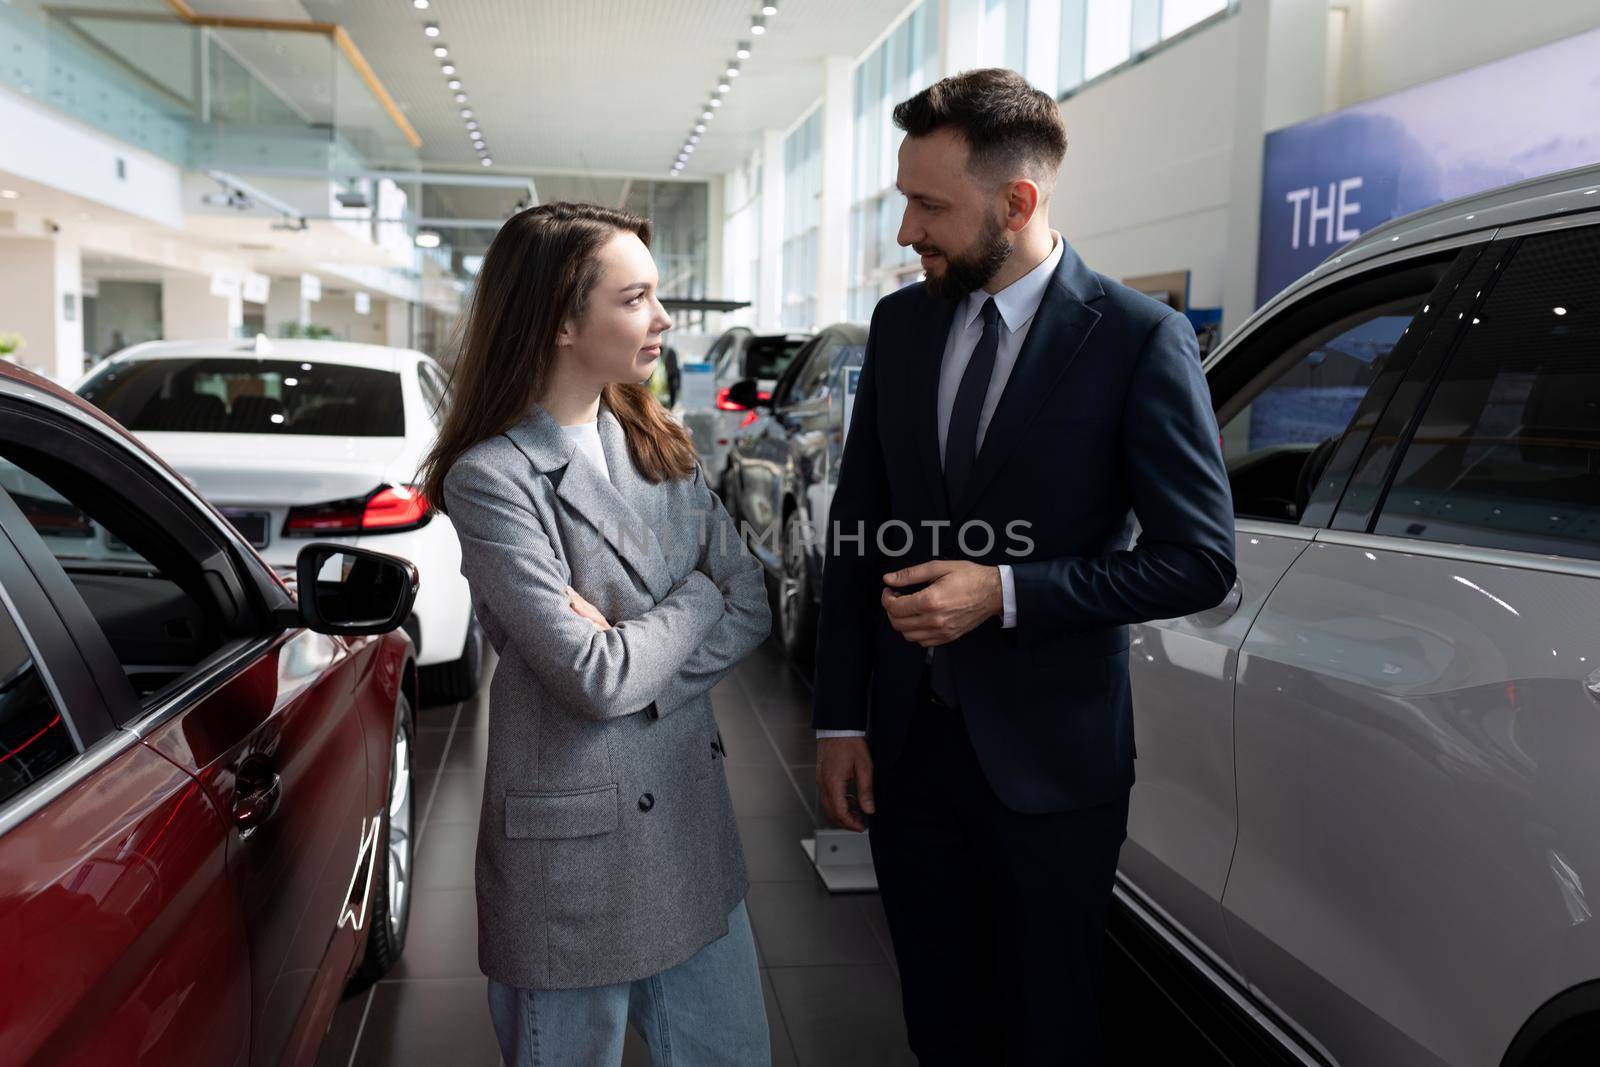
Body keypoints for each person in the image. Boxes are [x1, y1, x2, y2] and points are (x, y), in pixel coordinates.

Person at [811, 69, 1236, 1065]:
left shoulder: (1136, 338)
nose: (907, 230)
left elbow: (1198, 560)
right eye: (903, 199)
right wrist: (839, 716)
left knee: (1049, 1026)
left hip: (1053, 765)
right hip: (908, 752)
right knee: (938, 1018)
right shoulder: (903, 326)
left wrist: (1004, 591)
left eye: (929, 206)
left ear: (1017, 202)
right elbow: (857, 527)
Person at [418, 202, 773, 1066]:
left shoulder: (659, 440)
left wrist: (632, 652)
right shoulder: (494, 477)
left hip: (690, 831)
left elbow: (753, 598)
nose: (660, 320)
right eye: (636, 297)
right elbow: (592, 678)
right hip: (571, 858)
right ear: (563, 321)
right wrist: (693, 601)